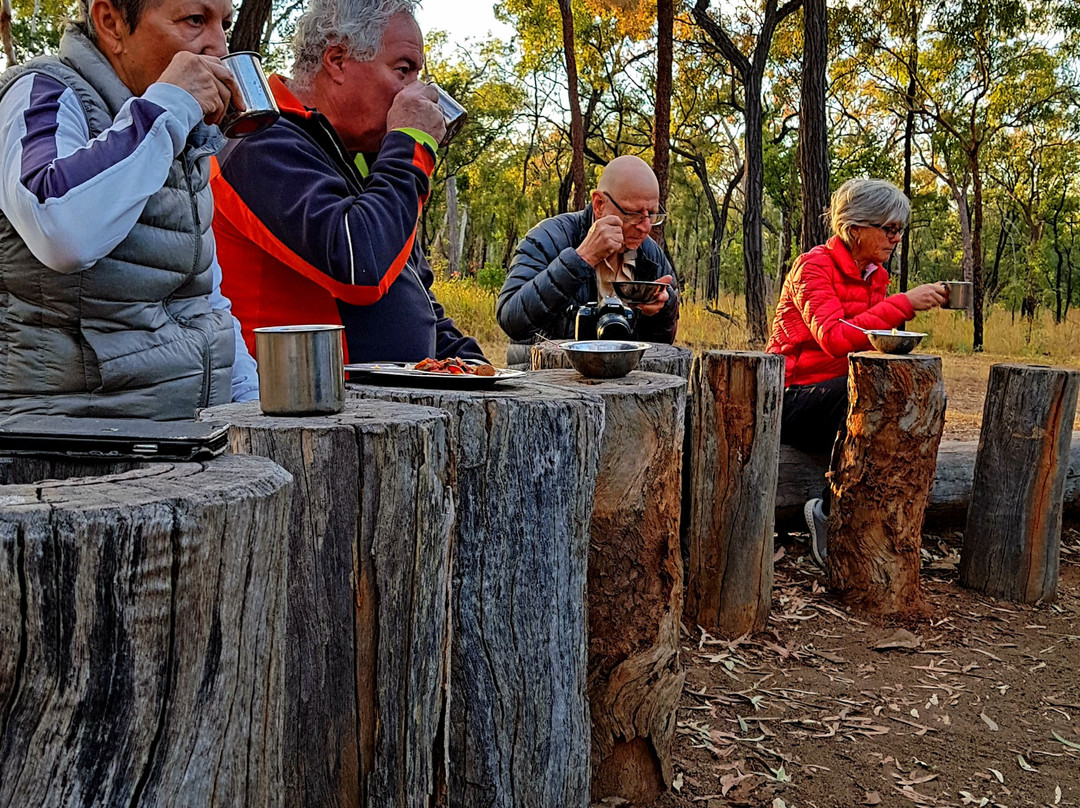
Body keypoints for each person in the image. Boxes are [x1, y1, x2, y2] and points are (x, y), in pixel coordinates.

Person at [0, 0, 258, 419]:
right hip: (72, 439)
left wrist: (251, 406)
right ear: (111, 23)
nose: (218, 46)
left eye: (224, 25)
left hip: (189, 432)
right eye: (195, 21)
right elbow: (62, 231)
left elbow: (206, 300)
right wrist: (168, 106)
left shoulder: (180, 129)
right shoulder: (42, 92)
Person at [210, 0, 485, 364]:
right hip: (304, 393)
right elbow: (359, 266)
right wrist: (410, 142)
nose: (416, 91)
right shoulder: (260, 140)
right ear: (337, 60)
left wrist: (472, 365)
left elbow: (416, 295)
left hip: (385, 393)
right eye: (404, 70)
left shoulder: (357, 155)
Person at [766, 178, 948, 566]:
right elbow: (834, 337)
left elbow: (865, 339)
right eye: (889, 228)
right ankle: (829, 513)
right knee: (860, 394)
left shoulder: (875, 274)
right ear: (854, 229)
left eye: (900, 229)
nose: (896, 238)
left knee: (904, 393)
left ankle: (884, 524)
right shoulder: (812, 266)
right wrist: (903, 304)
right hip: (791, 397)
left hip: (838, 393)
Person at [497, 155, 679, 362]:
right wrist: (581, 259)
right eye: (633, 213)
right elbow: (511, 319)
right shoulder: (549, 237)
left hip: (621, 378)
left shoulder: (651, 256)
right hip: (545, 376)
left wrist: (662, 310)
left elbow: (660, 345)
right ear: (599, 204)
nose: (645, 227)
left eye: (652, 214)